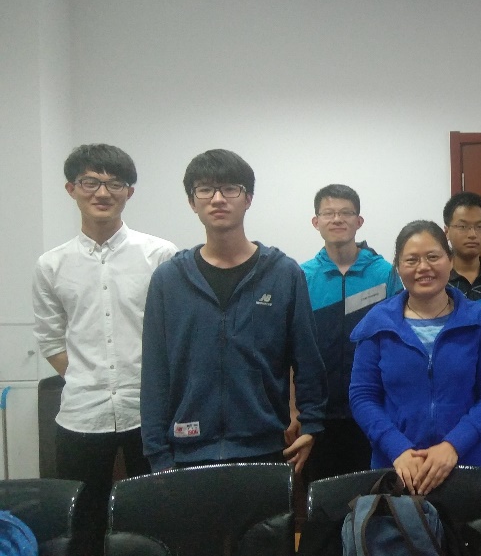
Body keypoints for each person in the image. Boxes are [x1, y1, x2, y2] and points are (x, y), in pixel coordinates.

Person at [141, 149, 327, 472]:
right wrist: (157, 453)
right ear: (192, 201)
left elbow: (307, 357)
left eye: (230, 188)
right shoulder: (169, 280)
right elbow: (155, 372)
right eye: (205, 189)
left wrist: (311, 423)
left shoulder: (283, 273)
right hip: (187, 452)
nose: (218, 199)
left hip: (266, 447)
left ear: (248, 198)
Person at [32, 144, 177, 556]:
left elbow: (175, 332)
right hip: (82, 412)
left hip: (149, 411)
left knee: (154, 517)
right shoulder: (51, 265)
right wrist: (87, 377)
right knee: (83, 523)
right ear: (71, 189)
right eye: (90, 182)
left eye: (114, 183)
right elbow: (50, 339)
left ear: (129, 192)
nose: (102, 192)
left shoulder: (160, 255)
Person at [348, 220, 481, 495]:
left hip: (465, 467)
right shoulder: (377, 324)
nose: (423, 267)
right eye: (412, 260)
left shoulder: (479, 322)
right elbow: (362, 397)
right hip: (397, 470)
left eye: (433, 257)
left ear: (450, 260)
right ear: (398, 267)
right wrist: (398, 449)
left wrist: (453, 446)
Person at [300, 184, 401, 482]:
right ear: (316, 221)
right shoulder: (301, 276)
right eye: (328, 213)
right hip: (319, 414)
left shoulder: (385, 274)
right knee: (322, 499)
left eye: (346, 212)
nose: (337, 219)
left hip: (375, 409)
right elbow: (291, 348)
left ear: (359, 221)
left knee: (373, 498)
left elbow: (398, 337)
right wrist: (295, 410)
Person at [443, 192, 481, 312]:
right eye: (462, 226)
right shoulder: (438, 281)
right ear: (447, 232)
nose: (472, 234)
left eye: (480, 227)